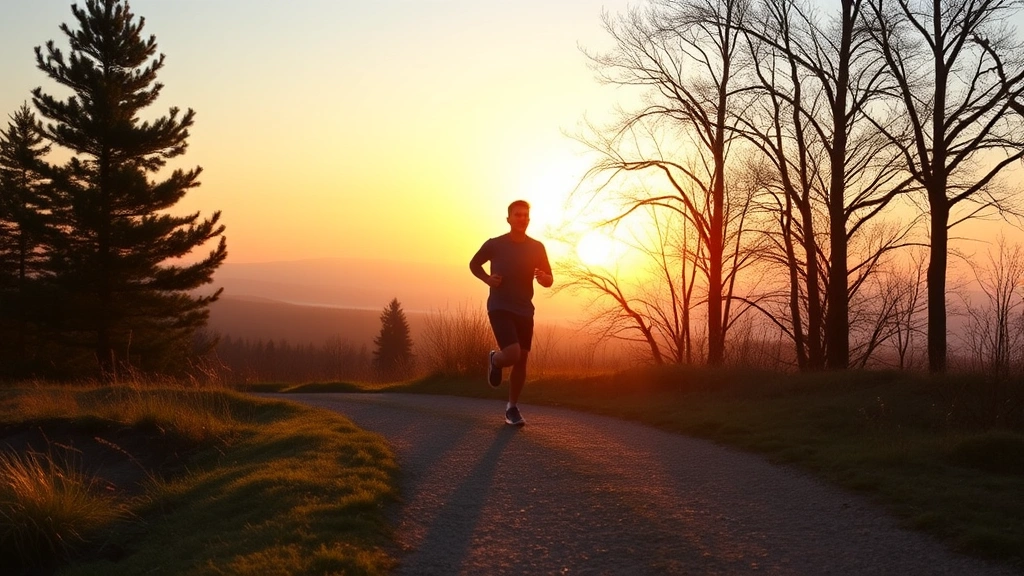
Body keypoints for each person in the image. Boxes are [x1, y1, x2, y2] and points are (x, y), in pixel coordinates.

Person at [469, 199, 553, 426]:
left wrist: (545, 279)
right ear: (509, 219)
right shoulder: (495, 244)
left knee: (522, 359)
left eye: (526, 215)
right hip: (500, 306)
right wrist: (487, 279)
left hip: (525, 309)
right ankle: (495, 360)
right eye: (518, 215)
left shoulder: (537, 247)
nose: (522, 219)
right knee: (513, 353)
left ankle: (512, 408)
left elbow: (549, 278)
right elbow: (474, 264)